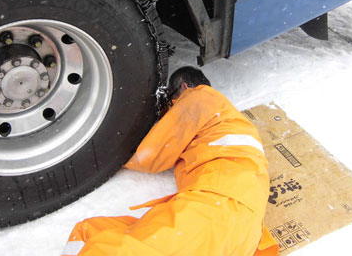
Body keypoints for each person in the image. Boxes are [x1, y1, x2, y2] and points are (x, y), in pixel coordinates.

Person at [62, 66, 278, 256]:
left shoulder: (199, 97)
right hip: (239, 228)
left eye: (171, 101)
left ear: (184, 87)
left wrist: (102, 154)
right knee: (91, 232)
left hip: (217, 211)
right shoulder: (225, 118)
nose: (170, 108)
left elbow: (153, 154)